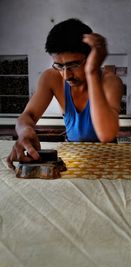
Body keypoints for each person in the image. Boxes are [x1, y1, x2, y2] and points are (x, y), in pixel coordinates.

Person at [7, 18, 123, 169]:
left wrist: (92, 72)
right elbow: (28, 115)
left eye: (73, 65)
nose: (66, 75)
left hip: (109, 157)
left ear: (91, 58)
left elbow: (107, 134)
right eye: (59, 66)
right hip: (73, 156)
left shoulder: (110, 82)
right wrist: (25, 131)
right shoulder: (51, 78)